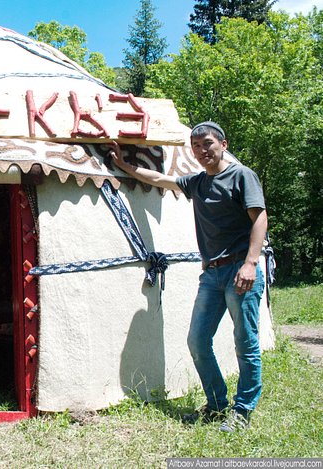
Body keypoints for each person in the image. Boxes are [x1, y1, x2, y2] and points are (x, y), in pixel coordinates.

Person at [109, 121, 267, 433]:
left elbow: (259, 216)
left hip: (239, 269)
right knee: (197, 340)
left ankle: (243, 410)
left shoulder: (241, 175)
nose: (202, 151)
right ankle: (218, 405)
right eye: (195, 147)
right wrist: (122, 164)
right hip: (211, 274)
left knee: (245, 343)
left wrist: (251, 263)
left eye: (207, 144)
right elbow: (160, 179)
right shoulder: (197, 182)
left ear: (223, 143)